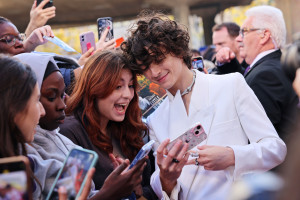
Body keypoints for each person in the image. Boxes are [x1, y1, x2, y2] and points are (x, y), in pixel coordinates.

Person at [121, 11, 286, 200]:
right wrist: (166, 178)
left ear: (177, 50)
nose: (155, 72)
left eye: (158, 59)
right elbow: (163, 189)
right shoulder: (156, 119)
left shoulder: (231, 85)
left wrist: (232, 155)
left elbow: (275, 148)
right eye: (145, 68)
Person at [15, 52, 148, 200]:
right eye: (50, 97)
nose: (62, 105)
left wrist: (125, 189)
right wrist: (108, 193)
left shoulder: (64, 142)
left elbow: (77, 195)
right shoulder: (12, 164)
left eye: (63, 94)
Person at [59, 50, 157, 199]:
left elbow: (145, 190)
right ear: (94, 87)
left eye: (130, 86)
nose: (127, 94)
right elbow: (70, 195)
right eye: (118, 86)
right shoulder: (70, 133)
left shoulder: (130, 127)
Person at [216, 5, 298, 142]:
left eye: (244, 31)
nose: (238, 39)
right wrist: (228, 66)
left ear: (264, 35)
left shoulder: (266, 75)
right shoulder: (270, 67)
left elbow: (259, 139)